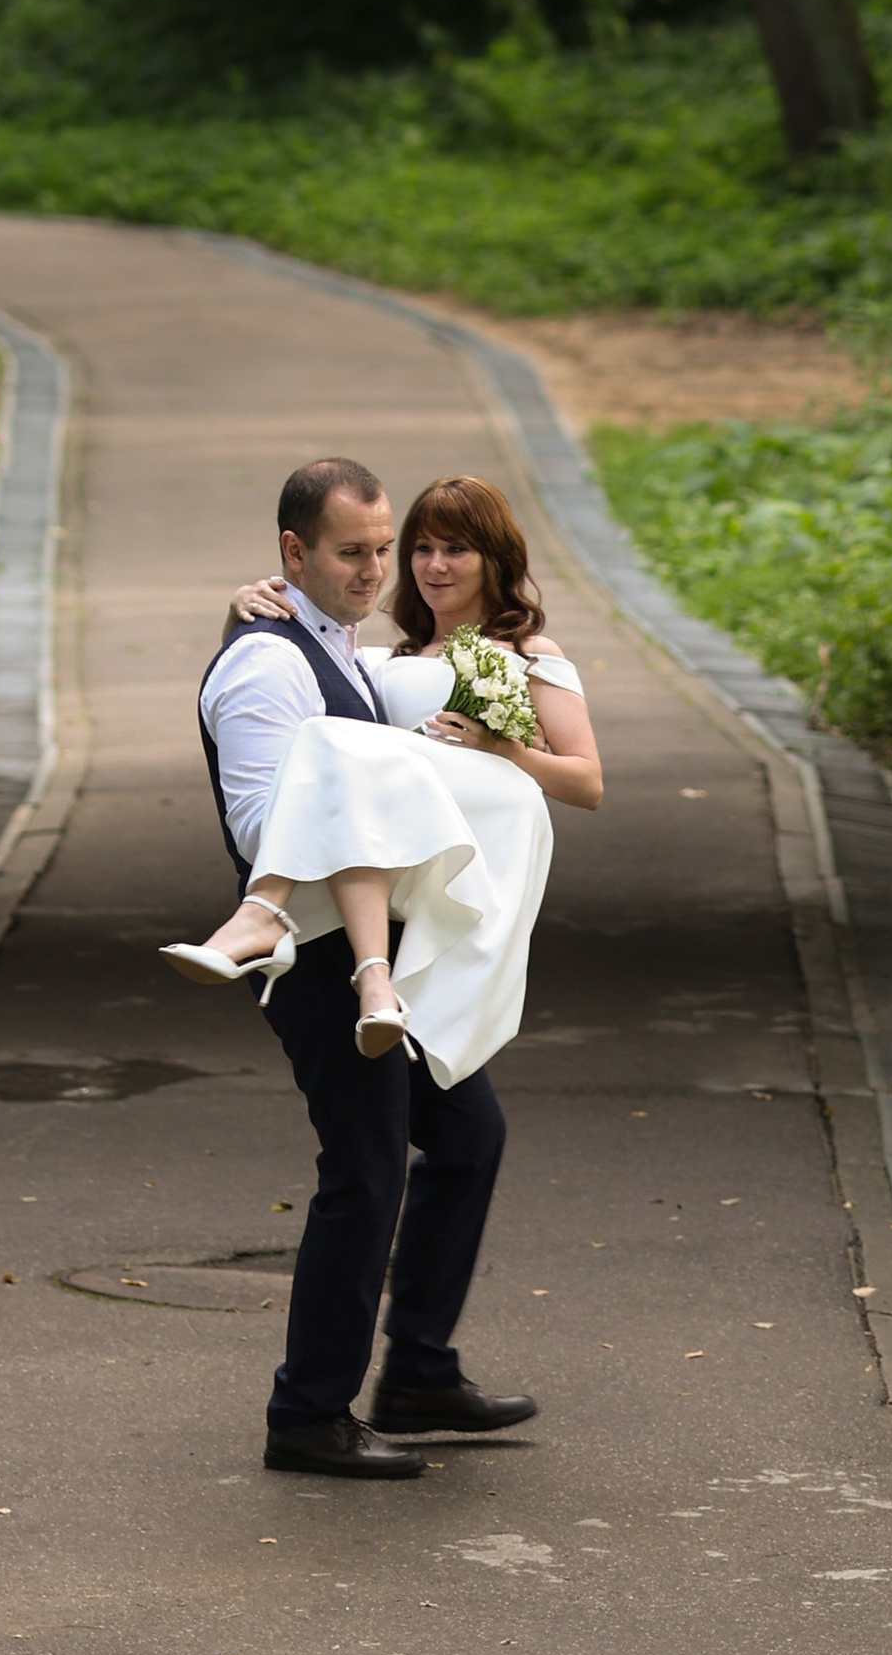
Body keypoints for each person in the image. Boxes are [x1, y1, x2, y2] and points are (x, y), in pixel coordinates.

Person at [173, 456, 602, 1481]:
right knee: (364, 1171)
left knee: (467, 1134)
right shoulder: (267, 663)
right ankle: (307, 1413)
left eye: (380, 550)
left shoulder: (346, 645)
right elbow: (261, 821)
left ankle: (415, 1370)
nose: (377, 571)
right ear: (293, 553)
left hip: (383, 950)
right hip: (317, 956)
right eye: (352, 553)